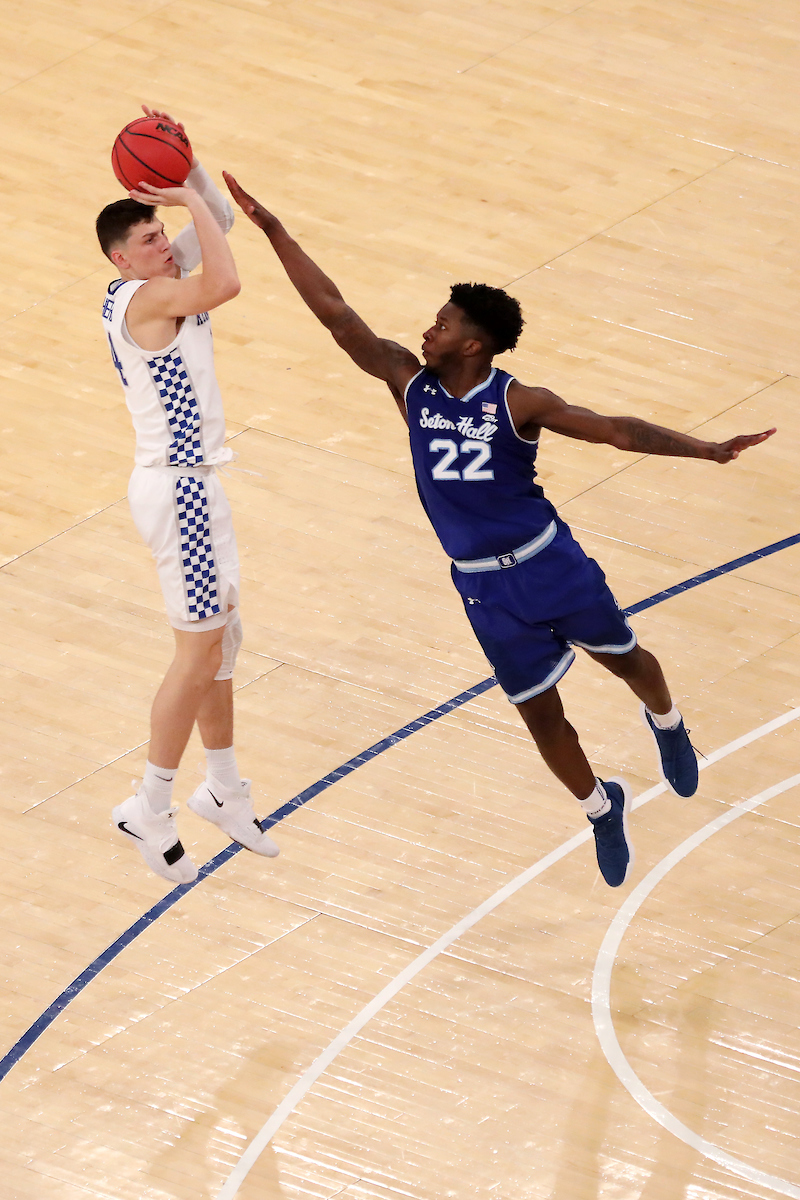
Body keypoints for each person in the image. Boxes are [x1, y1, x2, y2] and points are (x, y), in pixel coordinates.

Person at [222, 172, 775, 889]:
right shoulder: (407, 382)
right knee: (541, 717)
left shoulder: (520, 401)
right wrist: (275, 232)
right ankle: (600, 808)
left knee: (629, 660)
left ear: (476, 346)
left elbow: (616, 431)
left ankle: (668, 726)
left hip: (550, 563)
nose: (428, 329)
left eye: (444, 324)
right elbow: (338, 316)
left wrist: (704, 448)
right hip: (484, 587)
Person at [96, 111, 279, 885]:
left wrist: (191, 172)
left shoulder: (165, 283)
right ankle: (151, 800)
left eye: (161, 232)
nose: (162, 242)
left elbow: (223, 222)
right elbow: (231, 278)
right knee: (198, 648)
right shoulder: (145, 300)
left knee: (224, 640)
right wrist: (179, 193)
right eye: (148, 237)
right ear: (118, 258)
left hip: (196, 485)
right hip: (179, 494)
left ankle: (225, 788)